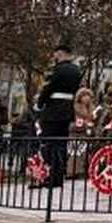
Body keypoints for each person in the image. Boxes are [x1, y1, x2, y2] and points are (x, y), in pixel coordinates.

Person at [34, 41, 81, 188]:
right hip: (67, 110)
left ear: (60, 54)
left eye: (56, 56)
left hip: (53, 111)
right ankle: (58, 177)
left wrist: (40, 103)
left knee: (49, 143)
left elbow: (48, 88)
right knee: (61, 144)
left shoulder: (57, 70)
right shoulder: (76, 71)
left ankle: (49, 176)